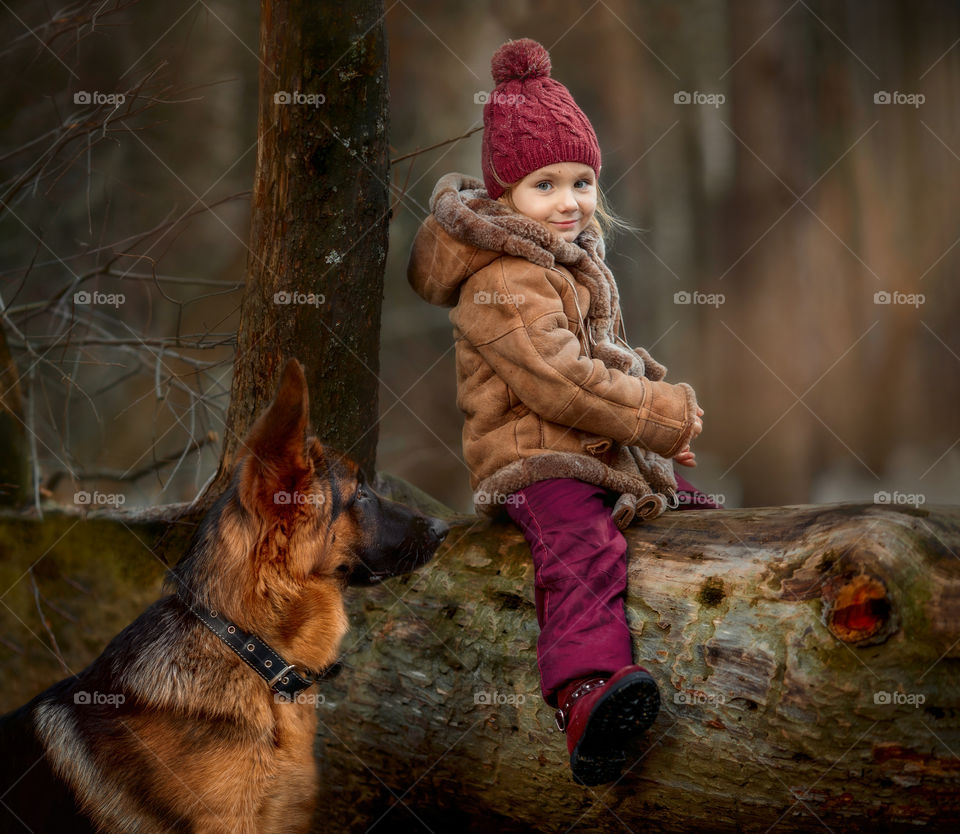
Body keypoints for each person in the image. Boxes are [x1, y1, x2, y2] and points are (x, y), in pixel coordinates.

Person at [407, 37, 722, 787]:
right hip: (534, 461)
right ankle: (583, 697)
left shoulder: (564, 259)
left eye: (581, 180)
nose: (570, 201)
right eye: (544, 184)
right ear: (504, 195)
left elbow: (602, 356)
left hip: (582, 450)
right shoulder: (504, 279)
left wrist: (656, 408)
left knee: (669, 514)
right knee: (580, 552)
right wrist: (658, 415)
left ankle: (663, 505)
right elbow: (562, 384)